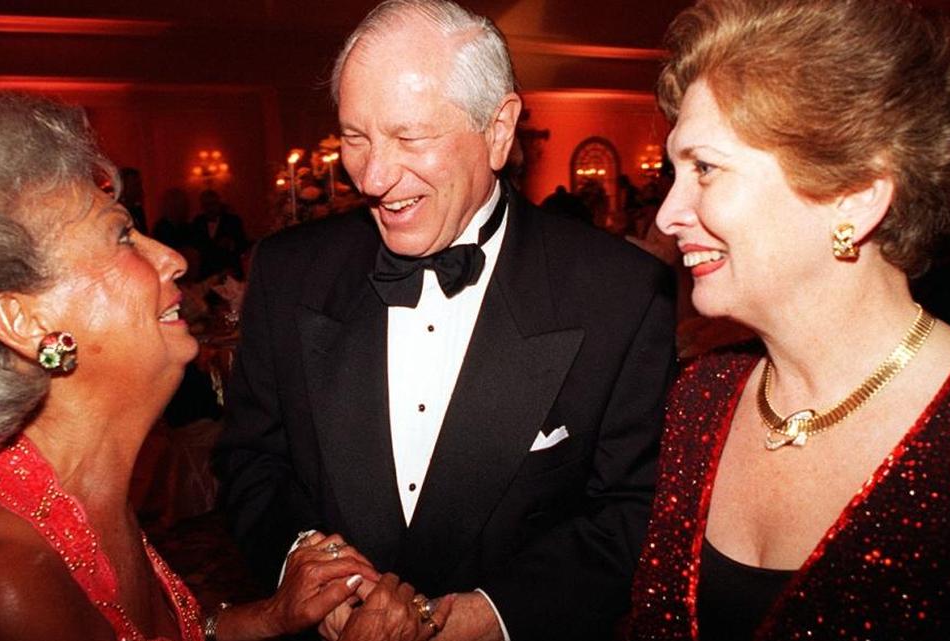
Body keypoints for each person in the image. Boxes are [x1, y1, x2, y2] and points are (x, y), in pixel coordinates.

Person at [0, 93, 449, 641]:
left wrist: (267, 617)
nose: (171, 259)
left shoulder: (70, 491)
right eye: (120, 237)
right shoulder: (3, 589)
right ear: (25, 323)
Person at [214, 2, 676, 640]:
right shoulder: (290, 273)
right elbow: (251, 460)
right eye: (355, 137)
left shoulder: (619, 293)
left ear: (498, 129)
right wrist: (309, 570)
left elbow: (631, 512)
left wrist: (480, 618)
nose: (373, 177)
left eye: (409, 137)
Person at [629, 0, 950, 639]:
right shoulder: (701, 400)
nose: (666, 216)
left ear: (853, 194)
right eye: (673, 172)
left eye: (706, 169)